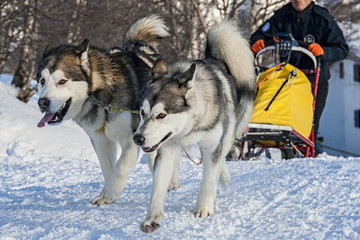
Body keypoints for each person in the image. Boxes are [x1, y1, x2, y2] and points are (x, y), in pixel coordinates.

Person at [250, 0, 349, 154]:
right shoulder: (281, 17)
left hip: (313, 81)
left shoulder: (322, 19)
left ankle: (307, 162)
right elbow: (258, 37)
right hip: (286, 81)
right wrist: (257, 43)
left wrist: (323, 50)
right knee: (283, 124)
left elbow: (341, 49)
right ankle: (286, 157)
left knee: (308, 128)